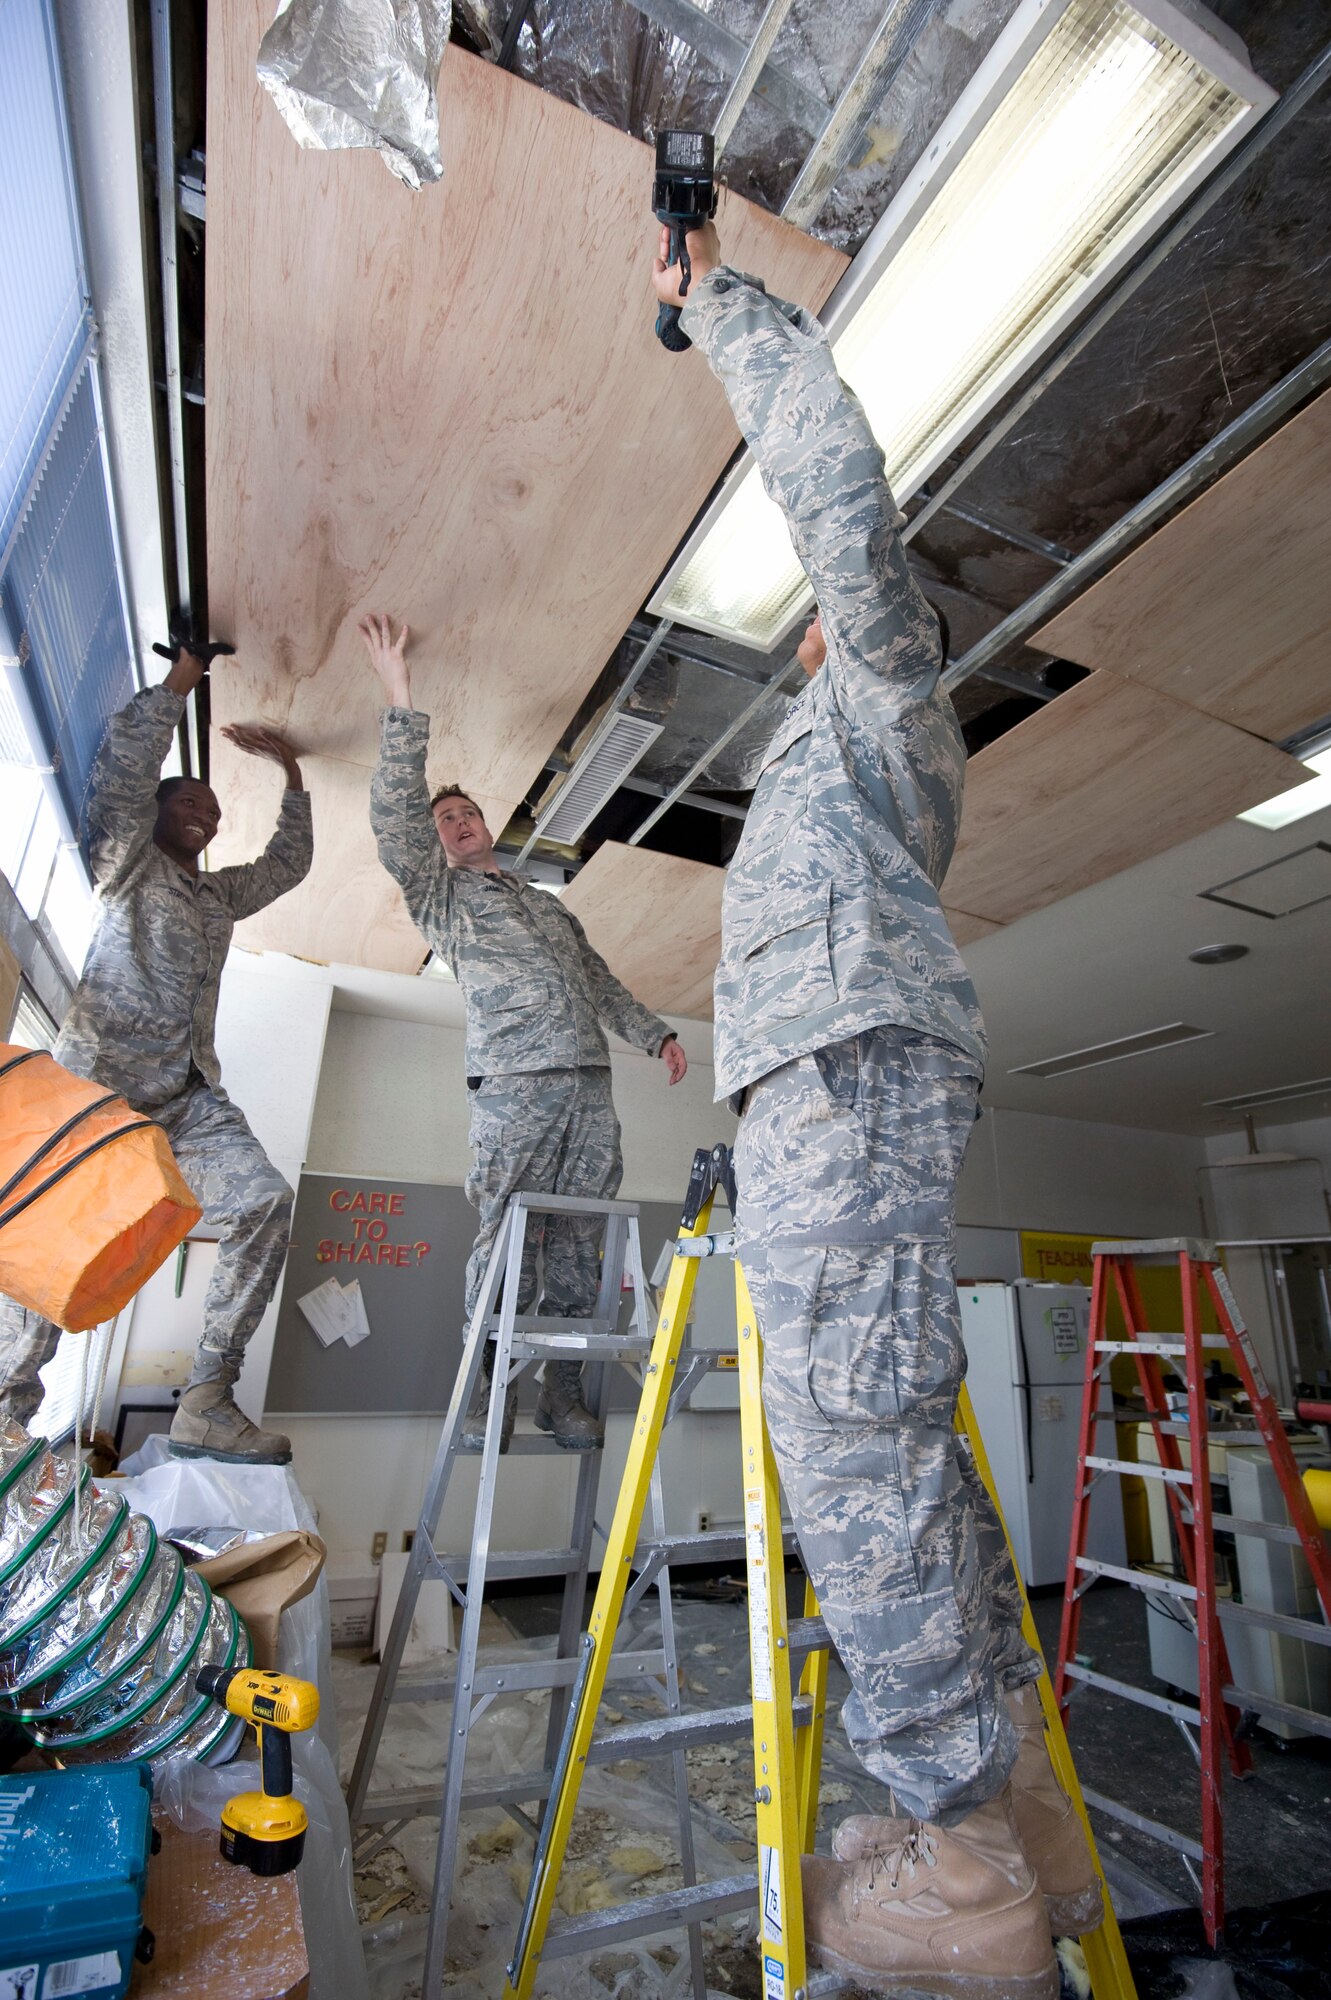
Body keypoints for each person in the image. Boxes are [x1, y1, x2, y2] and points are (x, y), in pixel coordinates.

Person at [653, 225, 1100, 1996]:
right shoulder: (834, 760)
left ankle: (963, 1879)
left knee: (854, 1451)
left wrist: (717, 311)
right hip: (826, 1073)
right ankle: (1015, 1831)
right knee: (892, 1437)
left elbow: (832, 469)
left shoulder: (886, 676)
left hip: (843, 1071)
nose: (816, 625)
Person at [359, 616, 687, 1451]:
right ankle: (481, 1398)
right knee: (510, 1240)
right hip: (515, 1086)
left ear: (489, 824)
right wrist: (400, 700)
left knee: (584, 1244)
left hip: (588, 1087)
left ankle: (562, 1393)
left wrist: (652, 1037)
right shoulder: (443, 900)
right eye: (448, 819)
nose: (460, 821)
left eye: (469, 811)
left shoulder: (547, 907)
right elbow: (399, 820)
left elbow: (600, 981)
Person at [0, 644, 312, 1465]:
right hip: (97, 1086)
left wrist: (296, 780)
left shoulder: (214, 897)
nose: (205, 817)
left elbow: (287, 866)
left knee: (261, 1202)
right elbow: (123, 775)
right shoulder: (127, 865)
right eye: (190, 803)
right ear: (158, 814)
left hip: (184, 1097)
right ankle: (7, 1407)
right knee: (55, 1237)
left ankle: (207, 1397)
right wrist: (177, 687)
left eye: (213, 811)